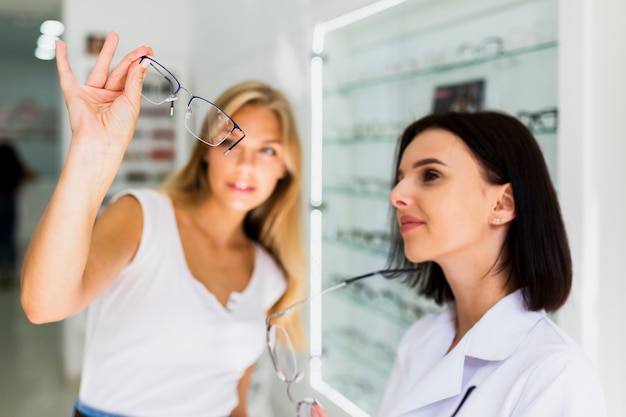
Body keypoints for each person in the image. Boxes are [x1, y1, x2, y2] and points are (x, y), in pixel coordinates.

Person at [20, 31, 306, 417]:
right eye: (229, 141)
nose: (246, 165)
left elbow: (235, 401)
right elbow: (44, 305)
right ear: (204, 149)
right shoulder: (143, 218)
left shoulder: (271, 275)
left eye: (267, 150)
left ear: (285, 169)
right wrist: (89, 153)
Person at [374, 111, 607, 416]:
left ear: (502, 203)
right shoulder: (421, 339)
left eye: (430, 175)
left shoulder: (555, 375)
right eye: (400, 178)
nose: (396, 195)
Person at [0, 140, 34, 289]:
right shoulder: (15, 168)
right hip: (10, 203)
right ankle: (8, 272)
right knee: (9, 239)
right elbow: (32, 176)